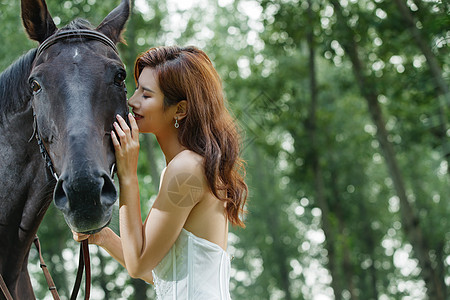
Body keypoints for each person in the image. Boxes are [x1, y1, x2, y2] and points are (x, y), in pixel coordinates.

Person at [73, 45, 248, 299]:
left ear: (180, 109)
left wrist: (128, 174)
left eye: (146, 95)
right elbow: (158, 272)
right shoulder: (188, 166)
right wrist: (103, 237)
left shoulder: (186, 169)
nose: (132, 102)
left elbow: (138, 264)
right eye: (136, 89)